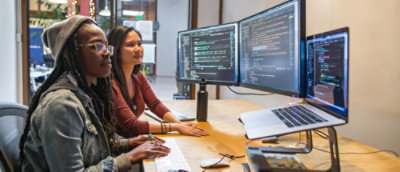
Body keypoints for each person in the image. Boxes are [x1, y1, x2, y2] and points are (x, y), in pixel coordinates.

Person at [19, 16, 169, 171]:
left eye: (106, 46)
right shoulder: (61, 105)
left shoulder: (87, 92)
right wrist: (130, 157)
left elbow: (98, 143)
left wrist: (130, 143)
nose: (107, 53)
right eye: (97, 46)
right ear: (69, 53)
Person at [107, 25, 209, 137]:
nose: (138, 49)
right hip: (117, 146)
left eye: (139, 44)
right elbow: (132, 125)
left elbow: (154, 104)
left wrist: (179, 124)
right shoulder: (111, 82)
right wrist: (175, 127)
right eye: (131, 45)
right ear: (116, 51)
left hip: (132, 139)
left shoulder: (137, 76)